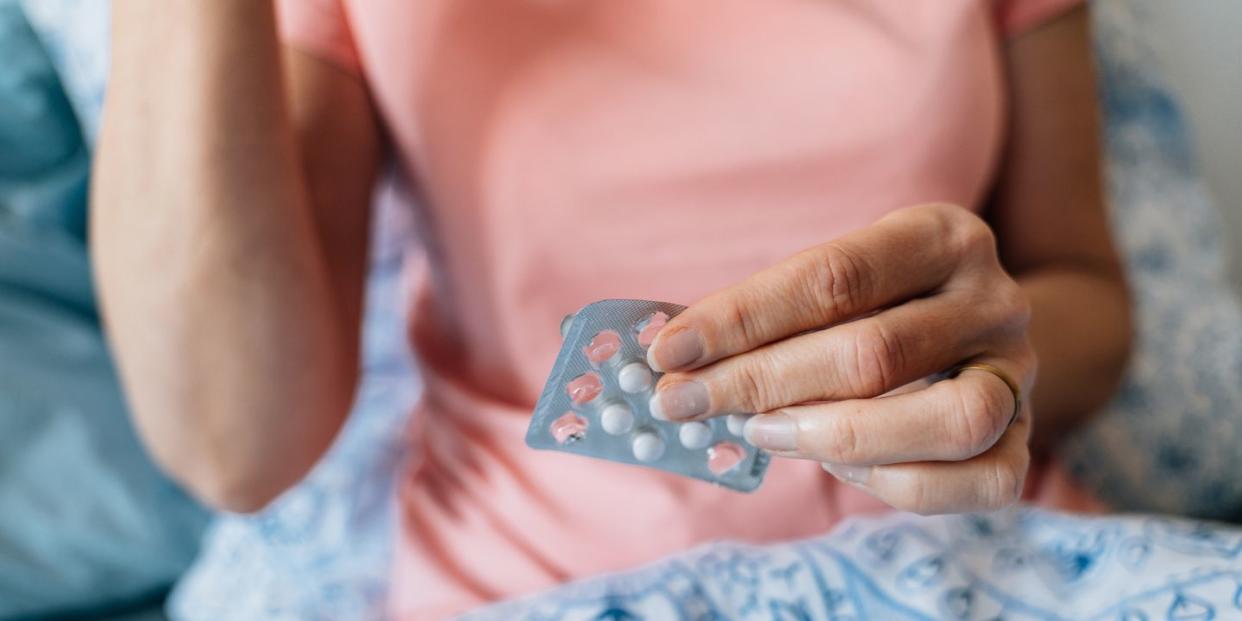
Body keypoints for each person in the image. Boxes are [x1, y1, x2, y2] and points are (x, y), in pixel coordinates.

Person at [93, 0, 1131, 617]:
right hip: (538, 583)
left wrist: (989, 368)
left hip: (984, 562)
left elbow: (1084, 291)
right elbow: (233, 440)